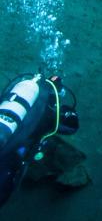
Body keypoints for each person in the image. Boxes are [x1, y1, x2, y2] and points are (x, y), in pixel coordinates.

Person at [0, 73, 79, 207]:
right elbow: (71, 128)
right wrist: (66, 111)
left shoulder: (14, 95)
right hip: (13, 155)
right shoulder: (49, 111)